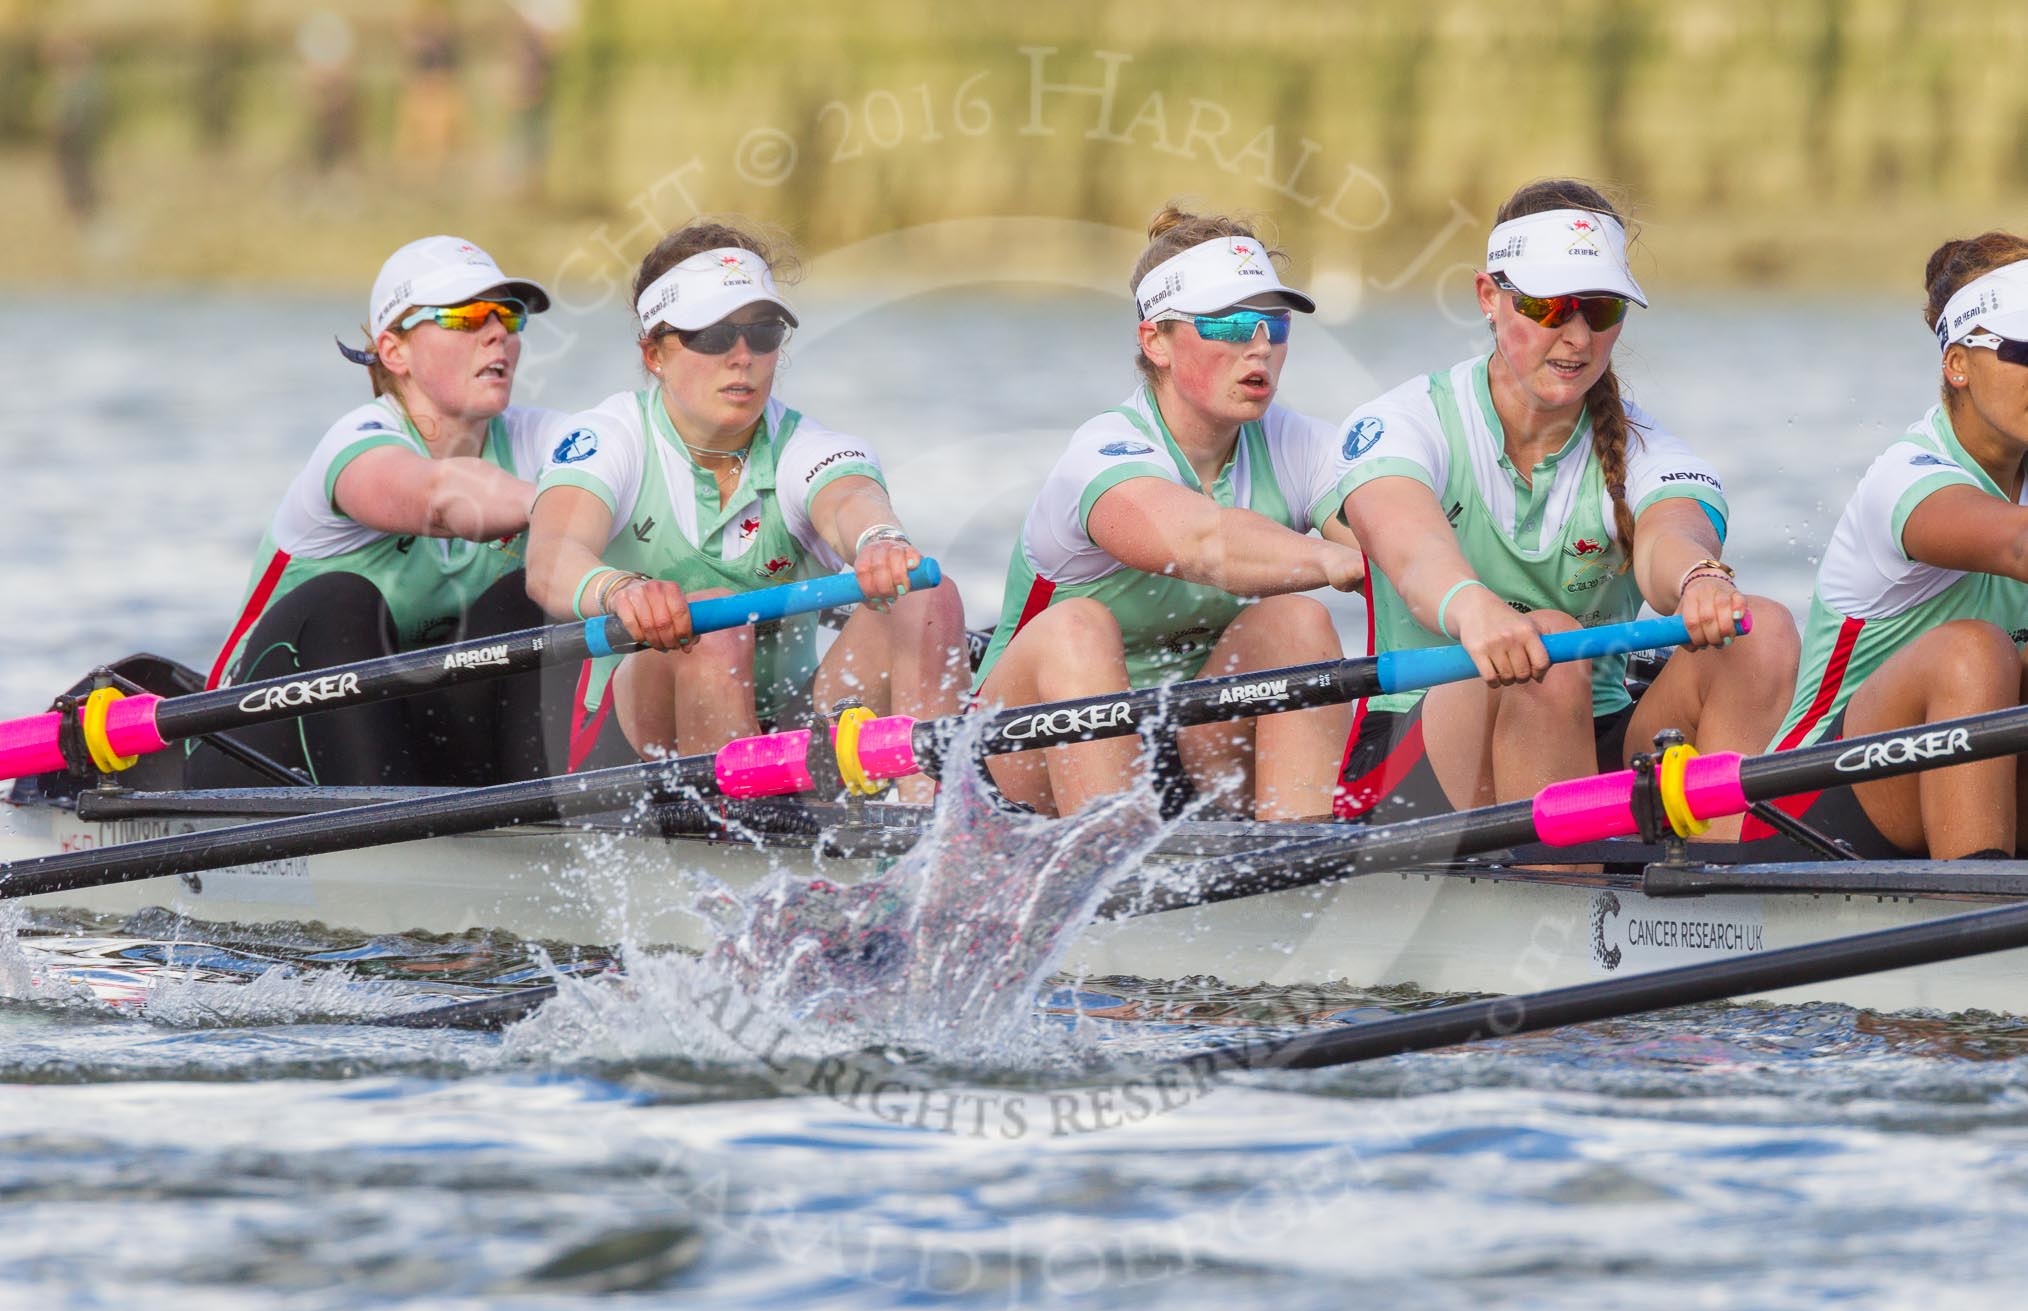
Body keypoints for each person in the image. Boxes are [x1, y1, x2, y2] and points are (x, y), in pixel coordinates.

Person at [1333, 179, 1798, 838]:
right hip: (1415, 750)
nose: (1578, 338)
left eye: (1601, 310)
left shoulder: (1647, 448)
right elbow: (1410, 548)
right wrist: (1473, 608)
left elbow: (1672, 532)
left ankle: (1713, 886)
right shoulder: (1407, 423)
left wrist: (1698, 577)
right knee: (1546, 638)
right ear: (1488, 298)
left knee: (1766, 631)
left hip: (1594, 731)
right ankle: (1567, 905)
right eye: (1550, 308)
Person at [523, 219, 967, 802]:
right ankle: (749, 838)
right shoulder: (609, 438)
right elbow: (551, 560)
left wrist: (881, 540)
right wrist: (621, 589)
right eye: (712, 335)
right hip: (632, 731)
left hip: (783, 720)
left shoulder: (810, 446)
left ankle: (927, 825)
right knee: (710, 621)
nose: (742, 357)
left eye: (763, 332)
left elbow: (851, 499)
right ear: (654, 352)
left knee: (923, 594)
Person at [972, 205, 1367, 821]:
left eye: (1274, 324)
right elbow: (1205, 543)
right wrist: (1331, 557)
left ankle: (1296, 862)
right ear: (1155, 340)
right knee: (1078, 627)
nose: (1260, 346)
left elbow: (1393, 539)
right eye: (1233, 325)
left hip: (1188, 747)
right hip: (1024, 762)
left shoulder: (1301, 444)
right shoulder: (1103, 453)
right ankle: (1103, 864)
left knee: (1300, 622)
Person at [188, 235, 562, 787]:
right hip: (255, 749)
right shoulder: (358, 443)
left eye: (508, 314)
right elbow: (441, 497)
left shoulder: (540, 436)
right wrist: (567, 503)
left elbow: (631, 462)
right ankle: (387, 835)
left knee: (530, 597)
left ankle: (541, 833)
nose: (497, 334)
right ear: (394, 351)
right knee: (341, 600)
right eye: (466, 317)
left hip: (420, 743)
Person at [1747, 233, 2028, 859]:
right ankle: (1978, 927)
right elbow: (2016, 546)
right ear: (1957, 362)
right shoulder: (1907, 477)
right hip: (1804, 810)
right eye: (2025, 351)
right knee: (1973, 654)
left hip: (1944, 794)